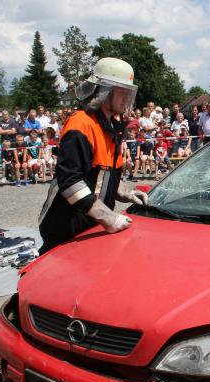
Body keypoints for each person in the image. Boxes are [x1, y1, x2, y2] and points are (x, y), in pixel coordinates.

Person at [38, 57, 149, 255]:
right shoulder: (81, 124)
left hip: (90, 224)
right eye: (122, 93)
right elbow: (70, 181)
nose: (126, 100)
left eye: (128, 94)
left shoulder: (112, 127)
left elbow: (105, 174)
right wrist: (107, 217)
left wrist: (126, 192)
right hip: (65, 226)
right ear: (104, 92)